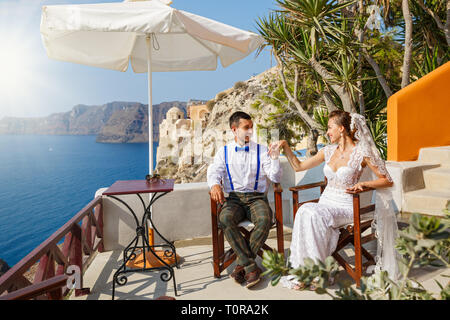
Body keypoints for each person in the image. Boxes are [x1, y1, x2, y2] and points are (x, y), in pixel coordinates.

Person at [269, 110, 399, 289]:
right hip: (326, 203)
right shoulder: (328, 151)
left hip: (346, 206)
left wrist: (365, 184)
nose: (327, 132)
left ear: (342, 129)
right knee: (306, 211)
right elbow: (298, 166)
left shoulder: (361, 152)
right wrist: (285, 146)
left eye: (330, 128)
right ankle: (306, 271)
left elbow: (387, 180)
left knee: (310, 212)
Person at [207, 111, 282, 288]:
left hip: (256, 198)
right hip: (234, 199)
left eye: (251, 127)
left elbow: (276, 178)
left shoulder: (262, 150)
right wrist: (214, 185)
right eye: (246, 128)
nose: (250, 131)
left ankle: (242, 265)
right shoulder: (223, 152)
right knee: (225, 218)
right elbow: (214, 171)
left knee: (265, 219)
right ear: (234, 130)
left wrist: (275, 157)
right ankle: (250, 266)